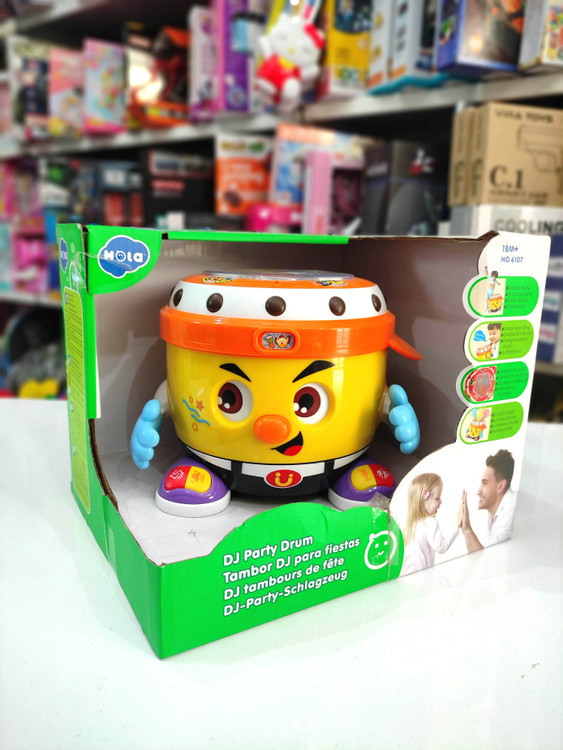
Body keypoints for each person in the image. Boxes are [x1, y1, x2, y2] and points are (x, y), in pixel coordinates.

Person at [400, 472, 463, 576]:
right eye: (437, 498)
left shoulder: (409, 526)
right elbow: (441, 547)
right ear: (423, 500)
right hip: (421, 578)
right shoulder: (430, 523)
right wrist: (457, 524)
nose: (441, 502)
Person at [461, 449, 516, 552]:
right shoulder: (494, 512)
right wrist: (466, 528)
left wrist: (467, 530)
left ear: (501, 486)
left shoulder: (511, 511)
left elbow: (489, 559)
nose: (478, 491)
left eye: (485, 483)